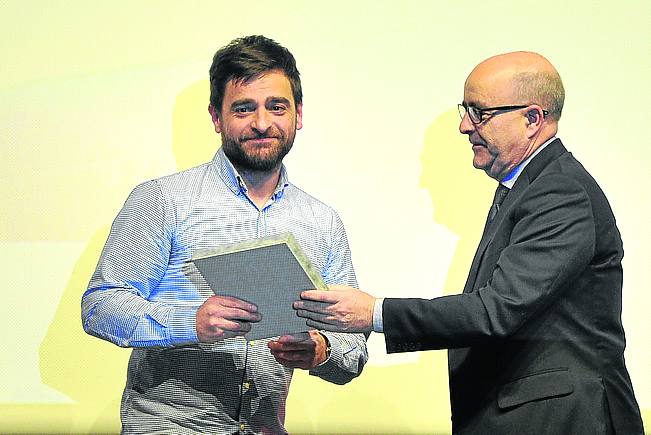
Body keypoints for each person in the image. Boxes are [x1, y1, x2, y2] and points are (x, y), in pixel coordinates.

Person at [294, 51, 644, 434]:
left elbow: (496, 312)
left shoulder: (560, 192)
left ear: (532, 119)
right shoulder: (529, 188)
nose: (464, 125)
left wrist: (375, 314)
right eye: (465, 109)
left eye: (480, 112)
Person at [81, 35, 367, 434]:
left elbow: (353, 346)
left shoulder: (322, 222)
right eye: (244, 108)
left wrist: (321, 350)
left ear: (298, 114)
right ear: (217, 117)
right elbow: (99, 307)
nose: (262, 123)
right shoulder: (163, 199)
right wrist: (190, 322)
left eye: (277, 107)